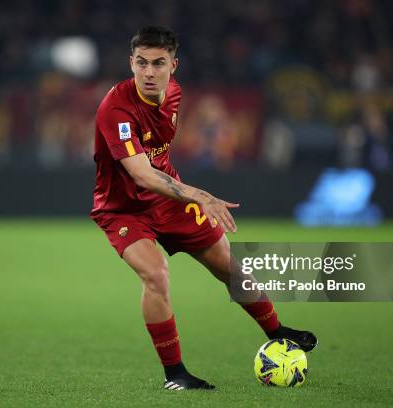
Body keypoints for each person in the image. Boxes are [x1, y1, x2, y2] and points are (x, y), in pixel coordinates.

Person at [90, 26, 317, 391]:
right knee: (157, 275)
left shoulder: (174, 95)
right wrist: (199, 194)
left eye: (158, 63)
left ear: (173, 66)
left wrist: (187, 195)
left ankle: (277, 331)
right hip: (123, 209)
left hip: (168, 201)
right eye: (142, 63)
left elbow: (158, 166)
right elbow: (141, 174)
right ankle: (175, 374)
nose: (149, 72)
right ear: (131, 63)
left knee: (229, 265)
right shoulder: (115, 109)